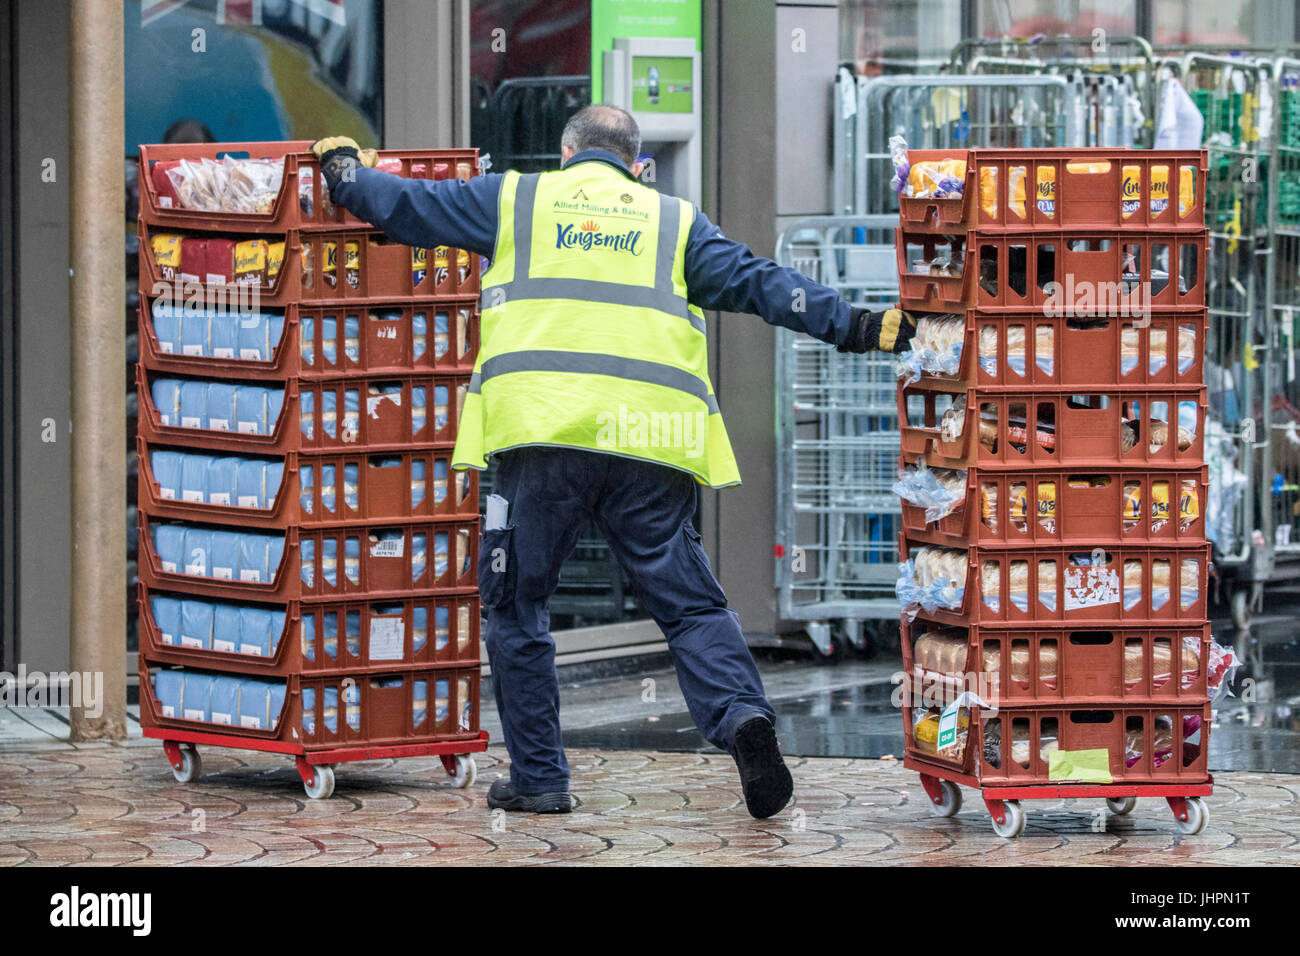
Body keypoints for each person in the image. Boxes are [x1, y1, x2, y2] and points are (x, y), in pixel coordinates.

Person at [311, 106, 914, 819]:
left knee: (517, 605)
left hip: (544, 434)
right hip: (649, 438)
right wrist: (858, 325)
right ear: (635, 164)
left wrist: (344, 171)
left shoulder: (517, 199)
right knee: (690, 606)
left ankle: (540, 778)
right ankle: (744, 719)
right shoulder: (673, 221)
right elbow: (764, 283)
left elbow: (408, 206)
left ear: (567, 152)